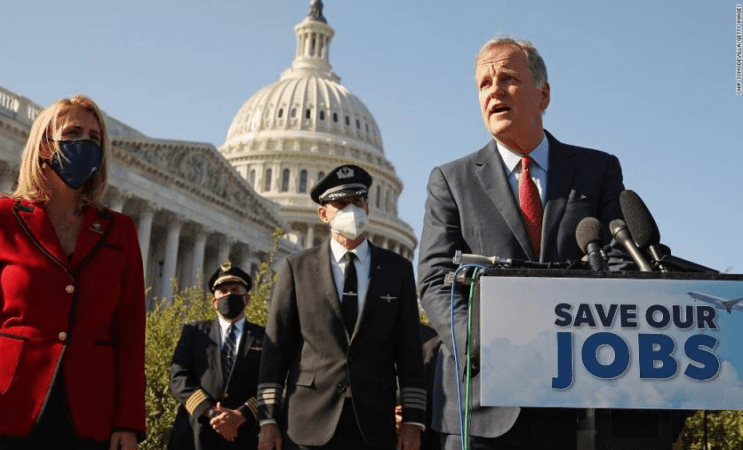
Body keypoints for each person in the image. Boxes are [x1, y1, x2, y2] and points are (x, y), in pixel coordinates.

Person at [417, 37, 628, 450]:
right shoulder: (451, 181)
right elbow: (435, 280)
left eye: (508, 79)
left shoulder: (598, 170)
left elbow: (621, 263)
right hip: (481, 404)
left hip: (576, 397)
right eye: (484, 84)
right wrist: (487, 346)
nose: (493, 91)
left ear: (543, 95)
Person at [0, 95, 146, 450]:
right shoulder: (0, 218)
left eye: (94, 138)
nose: (85, 144)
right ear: (43, 145)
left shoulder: (120, 231)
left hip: (89, 416)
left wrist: (128, 422)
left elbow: (130, 333)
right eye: (73, 133)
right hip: (5, 408)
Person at [257, 164, 426, 450]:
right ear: (323, 214)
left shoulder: (396, 270)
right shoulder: (297, 268)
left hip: (373, 421)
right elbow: (276, 350)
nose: (351, 210)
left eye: (358, 202)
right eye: (341, 203)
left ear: (368, 208)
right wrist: (268, 419)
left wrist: (412, 420)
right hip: (307, 421)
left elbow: (409, 351)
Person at [168, 263, 264, 450]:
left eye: (234, 290)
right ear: (214, 302)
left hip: (243, 437)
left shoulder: (265, 338)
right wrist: (211, 412)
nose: (228, 295)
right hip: (195, 435)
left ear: (246, 299)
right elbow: (178, 376)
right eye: (223, 291)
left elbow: (270, 382)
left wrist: (241, 415)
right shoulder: (194, 333)